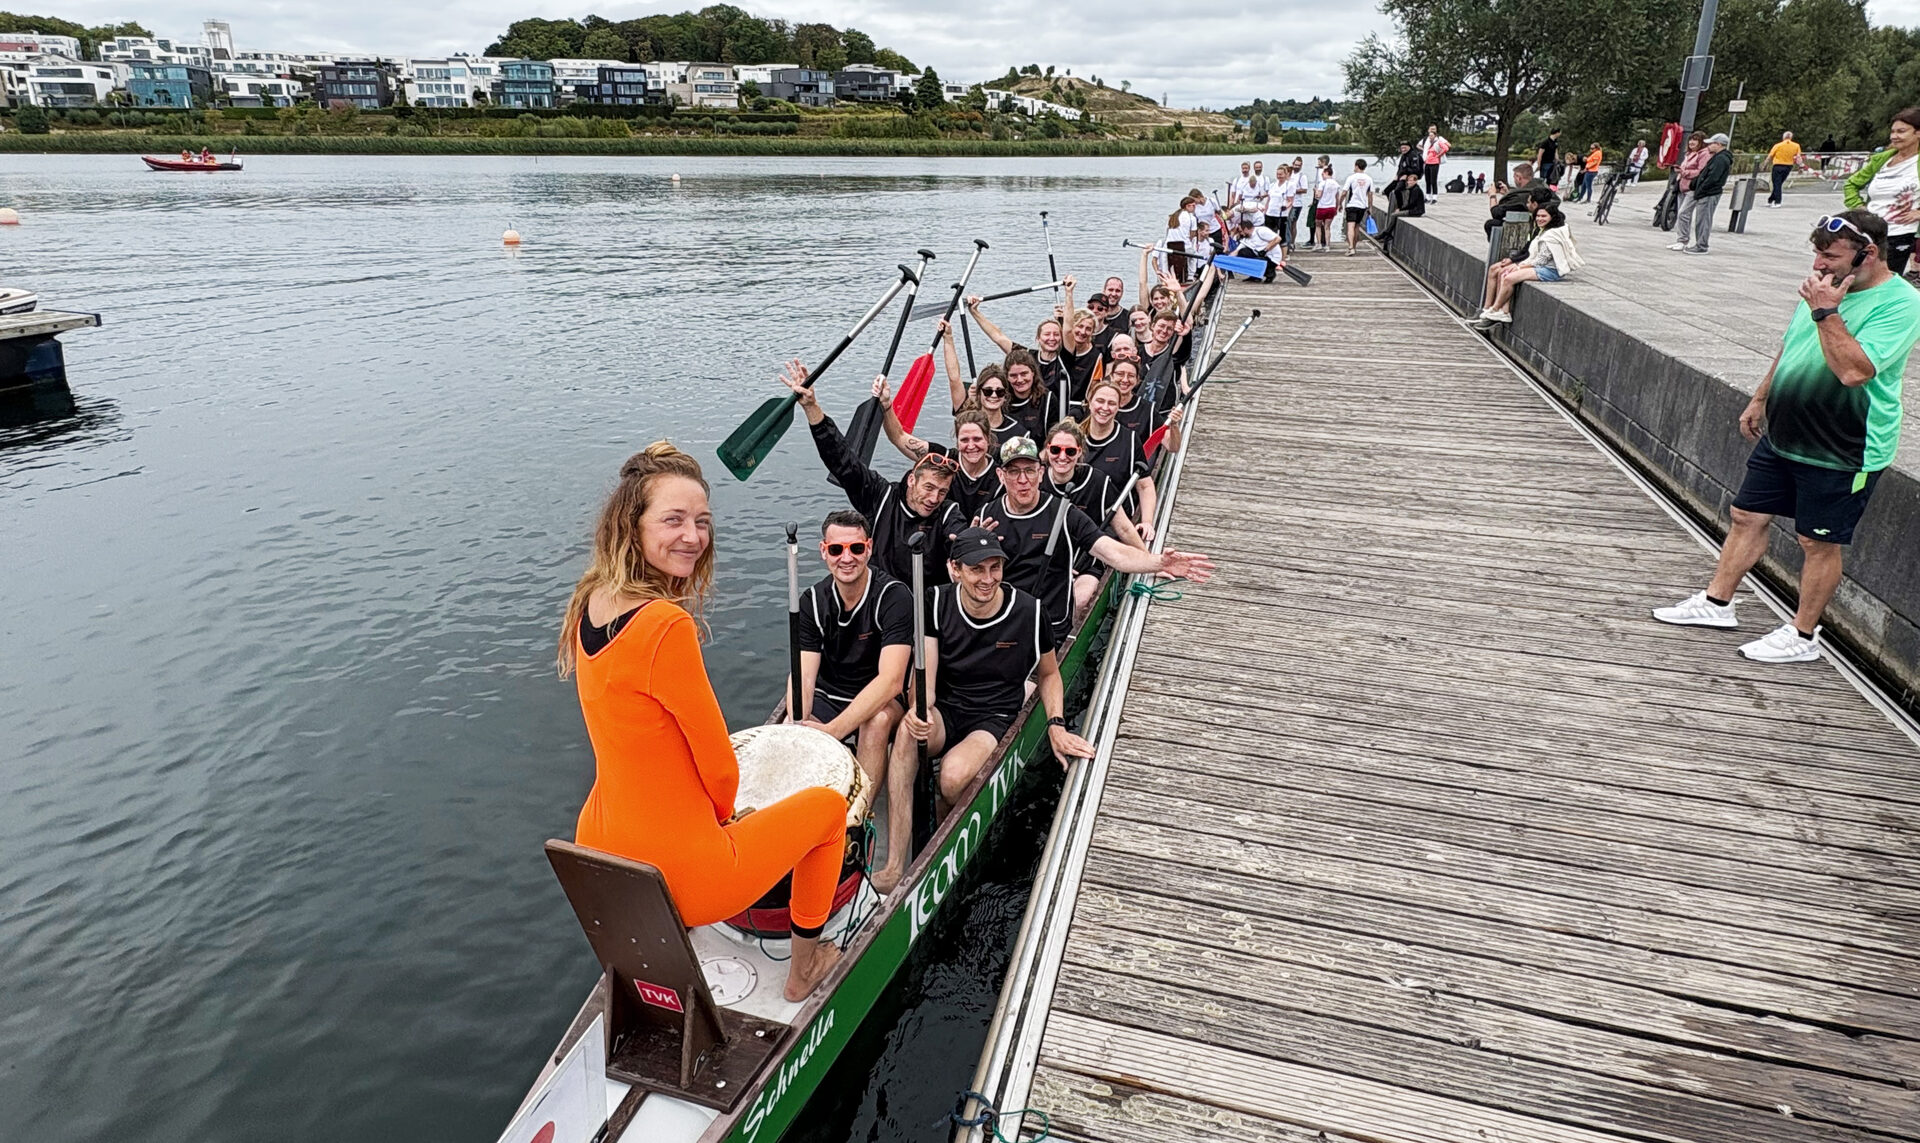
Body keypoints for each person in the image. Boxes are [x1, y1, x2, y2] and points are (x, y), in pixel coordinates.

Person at [563, 442, 848, 1000]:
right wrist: (724, 820)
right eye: (673, 520)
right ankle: (803, 971)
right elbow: (720, 770)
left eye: (702, 521)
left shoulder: (591, 600)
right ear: (632, 525)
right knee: (829, 811)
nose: (693, 536)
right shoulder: (664, 626)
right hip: (685, 876)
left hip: (602, 851)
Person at [1652, 210, 1920, 661]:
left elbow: (1855, 372)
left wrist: (1825, 311)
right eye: (1817, 253)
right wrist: (1759, 397)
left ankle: (1803, 635)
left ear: (1869, 253)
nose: (1819, 264)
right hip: (1785, 433)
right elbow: (1791, 345)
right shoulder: (1825, 287)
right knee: (1745, 515)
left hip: (1843, 447)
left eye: (1831, 256)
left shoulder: (1901, 303)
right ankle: (1718, 602)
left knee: (1817, 541)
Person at [874, 526, 1098, 889]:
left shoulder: (1030, 612)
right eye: (977, 569)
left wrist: (1055, 725)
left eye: (995, 568)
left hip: (993, 715)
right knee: (906, 734)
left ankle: (938, 843)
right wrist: (919, 708)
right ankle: (895, 864)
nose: (988, 579)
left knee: (951, 779)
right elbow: (925, 673)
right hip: (948, 707)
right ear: (955, 570)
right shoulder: (934, 601)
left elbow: (1049, 674)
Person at [978, 436, 1213, 644]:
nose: (1022, 479)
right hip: (1000, 623)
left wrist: (1158, 562)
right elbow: (966, 577)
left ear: (1040, 473)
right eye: (1013, 472)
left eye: (1029, 471)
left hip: (1047, 627)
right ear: (1000, 476)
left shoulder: (1064, 513)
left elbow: (1114, 553)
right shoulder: (986, 516)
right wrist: (975, 549)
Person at [784, 360, 964, 585]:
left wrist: (971, 543)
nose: (934, 498)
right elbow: (843, 462)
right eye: (929, 487)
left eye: (942, 491)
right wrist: (812, 408)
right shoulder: (881, 496)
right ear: (911, 480)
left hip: (926, 601)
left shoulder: (948, 513)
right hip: (883, 598)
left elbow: (961, 538)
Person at [794, 509, 914, 800]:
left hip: (880, 696)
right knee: (791, 727)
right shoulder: (811, 601)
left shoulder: (894, 597)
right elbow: (804, 675)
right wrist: (799, 723)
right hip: (830, 693)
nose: (846, 558)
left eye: (856, 548)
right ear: (824, 551)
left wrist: (834, 730)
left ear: (869, 549)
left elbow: (891, 681)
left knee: (877, 722)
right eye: (837, 549)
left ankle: (862, 812)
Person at [879, 382, 1000, 519]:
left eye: (977, 439)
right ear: (957, 442)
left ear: (988, 439)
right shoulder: (943, 458)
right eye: (964, 440)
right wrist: (886, 404)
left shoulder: (1001, 474)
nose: (971, 446)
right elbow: (899, 437)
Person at [1842, 107, 1920, 275]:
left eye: (1901, 131)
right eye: (1892, 131)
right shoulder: (1882, 159)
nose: (1894, 136)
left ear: (1918, 133)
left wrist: (1918, 213)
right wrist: (1859, 208)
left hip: (1900, 234)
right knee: (1854, 278)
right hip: (1869, 232)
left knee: (1883, 281)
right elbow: (1851, 184)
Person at [1473, 204, 1580, 326]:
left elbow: (1541, 260)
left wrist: (1519, 266)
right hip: (1540, 266)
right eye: (1538, 216)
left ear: (1552, 217)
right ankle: (1503, 311)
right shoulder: (1544, 230)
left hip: (1549, 270)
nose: (1539, 219)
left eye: (1544, 216)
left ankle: (1495, 309)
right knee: (1505, 273)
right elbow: (1532, 254)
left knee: (1508, 278)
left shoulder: (1552, 235)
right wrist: (1519, 264)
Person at [1673, 133, 1733, 254]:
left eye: (1711, 143)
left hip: (1709, 193)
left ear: (1718, 144)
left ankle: (1702, 245)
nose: (1708, 146)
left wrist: (1700, 189)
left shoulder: (1721, 159)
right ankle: (1699, 244)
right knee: (1701, 219)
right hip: (1705, 192)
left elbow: (1712, 178)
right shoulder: (1718, 157)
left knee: (1704, 220)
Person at [1485, 162, 1557, 236]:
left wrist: (1492, 195)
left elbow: (1496, 213)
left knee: (1490, 224)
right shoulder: (1541, 188)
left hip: (1524, 230)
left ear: (1518, 178)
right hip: (1537, 225)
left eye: (1514, 177)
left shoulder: (1521, 197)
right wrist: (1508, 193)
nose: (1514, 180)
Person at [1666, 132, 1710, 250]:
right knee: (1682, 213)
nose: (1691, 142)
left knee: (1683, 213)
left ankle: (1683, 240)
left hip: (1693, 187)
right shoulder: (1689, 154)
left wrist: (1685, 172)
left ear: (1701, 142)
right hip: (1682, 186)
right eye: (1690, 139)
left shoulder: (1704, 154)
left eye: (1695, 140)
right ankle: (1681, 239)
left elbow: (1701, 171)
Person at [1376, 171, 1427, 251]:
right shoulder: (1412, 189)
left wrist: (1400, 209)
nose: (1408, 182)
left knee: (1394, 215)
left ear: (1415, 181)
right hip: (1412, 209)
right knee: (1394, 214)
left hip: (1416, 211)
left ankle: (1386, 233)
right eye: (1408, 181)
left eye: (1411, 181)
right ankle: (1387, 233)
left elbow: (1412, 204)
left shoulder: (1416, 190)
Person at [1767, 130, 1804, 207]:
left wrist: (1764, 164)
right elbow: (1798, 157)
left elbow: (1770, 156)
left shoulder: (1778, 145)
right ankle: (1771, 200)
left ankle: (1777, 202)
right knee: (1778, 183)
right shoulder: (1796, 146)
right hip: (1788, 166)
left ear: (1783, 137)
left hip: (1778, 165)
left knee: (1776, 184)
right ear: (1791, 137)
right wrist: (1800, 167)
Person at [1313, 164, 1341, 251]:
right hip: (1331, 207)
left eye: (1323, 174)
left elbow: (1318, 196)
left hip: (1322, 207)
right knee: (1327, 227)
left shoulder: (1323, 183)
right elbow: (1337, 198)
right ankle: (1328, 245)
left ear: (1326, 173)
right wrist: (1337, 207)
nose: (1322, 175)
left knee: (1318, 225)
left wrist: (1315, 191)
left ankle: (1319, 243)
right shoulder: (1336, 184)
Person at [1422, 125, 1451, 195]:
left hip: (1434, 162)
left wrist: (1439, 155)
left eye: (1432, 135)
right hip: (1427, 162)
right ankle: (1428, 195)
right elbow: (1419, 145)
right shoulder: (1426, 141)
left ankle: (1434, 195)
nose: (1430, 137)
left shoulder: (1439, 140)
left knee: (1433, 180)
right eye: (1430, 135)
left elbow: (1446, 147)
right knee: (1427, 180)